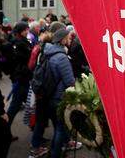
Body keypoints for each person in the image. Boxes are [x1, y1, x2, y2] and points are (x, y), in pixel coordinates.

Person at [29, 28, 80, 158]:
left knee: (58, 125)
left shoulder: (47, 51)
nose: (70, 39)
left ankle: (58, 149)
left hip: (47, 96)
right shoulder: (61, 57)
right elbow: (69, 81)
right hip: (58, 98)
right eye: (68, 37)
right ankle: (55, 154)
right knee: (60, 128)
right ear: (62, 40)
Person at [6, 22, 33, 128]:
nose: (27, 31)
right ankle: (4, 130)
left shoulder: (23, 41)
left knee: (31, 103)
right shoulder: (19, 43)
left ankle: (35, 130)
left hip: (23, 77)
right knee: (15, 106)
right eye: (26, 30)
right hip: (21, 78)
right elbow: (21, 61)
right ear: (21, 31)